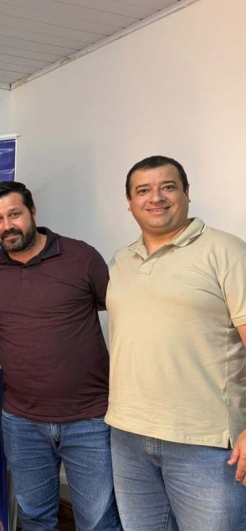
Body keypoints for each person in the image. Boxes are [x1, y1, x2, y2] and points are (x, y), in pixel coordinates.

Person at [106, 155, 246, 530]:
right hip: (128, 436)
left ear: (186, 193)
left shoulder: (227, 252)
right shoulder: (121, 260)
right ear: (129, 202)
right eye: (143, 190)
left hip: (206, 442)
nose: (156, 197)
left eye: (168, 187)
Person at [0, 181, 119, 531]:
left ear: (33, 212)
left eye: (14, 214)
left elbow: (117, 309)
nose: (7, 225)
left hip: (89, 418)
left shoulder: (82, 257)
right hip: (21, 421)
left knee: (98, 522)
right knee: (34, 518)